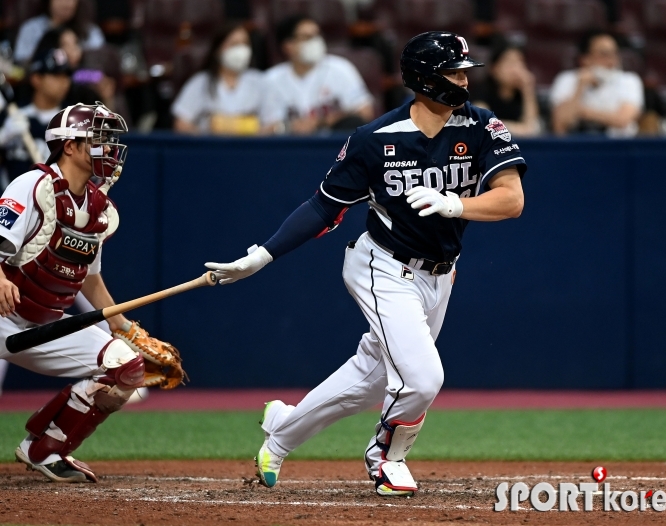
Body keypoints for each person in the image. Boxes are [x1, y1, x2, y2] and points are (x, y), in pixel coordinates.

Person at [206, 31, 526, 496]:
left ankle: (280, 434)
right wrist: (261, 256)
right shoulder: (375, 139)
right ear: (425, 79)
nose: (464, 80)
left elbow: (511, 200)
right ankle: (385, 457)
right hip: (382, 265)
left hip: (440, 273)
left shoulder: (481, 126)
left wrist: (454, 204)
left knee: (372, 380)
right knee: (421, 378)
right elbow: (323, 208)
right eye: (454, 72)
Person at [0, 101, 181, 482]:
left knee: (128, 366)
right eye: (97, 138)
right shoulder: (33, 185)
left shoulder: (98, 209)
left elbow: (90, 280)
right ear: (69, 146)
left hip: (42, 325)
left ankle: (45, 448)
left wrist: (125, 328)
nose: (109, 147)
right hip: (2, 315)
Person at [260, 15, 374, 134]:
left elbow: (365, 113)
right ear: (288, 46)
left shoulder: (341, 68)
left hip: (335, 144)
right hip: (290, 146)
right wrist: (289, 126)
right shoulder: (271, 79)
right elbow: (264, 128)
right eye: (307, 37)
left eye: (317, 35)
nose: (315, 41)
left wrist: (320, 122)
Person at [172, 23, 265, 135]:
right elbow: (181, 124)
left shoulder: (260, 82)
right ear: (218, 49)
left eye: (245, 44)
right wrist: (205, 139)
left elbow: (274, 123)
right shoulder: (201, 82)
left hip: (251, 149)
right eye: (234, 44)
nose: (241, 49)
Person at [550, 30, 643, 137]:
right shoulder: (566, 80)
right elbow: (559, 126)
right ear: (585, 59)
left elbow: (622, 120)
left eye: (614, 54)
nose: (611, 61)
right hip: (575, 147)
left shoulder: (629, 80)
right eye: (604, 54)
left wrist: (581, 112)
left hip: (617, 147)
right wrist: (580, 87)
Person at [0, 48, 72, 182]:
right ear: (36, 79)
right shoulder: (13, 114)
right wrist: (3, 135)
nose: (63, 82)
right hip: (9, 197)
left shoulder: (74, 120)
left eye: (66, 75)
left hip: (53, 199)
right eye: (56, 75)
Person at [471, 41, 540, 136]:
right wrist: (522, 129)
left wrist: (528, 90)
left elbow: (533, 128)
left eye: (520, 62)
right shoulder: (481, 92)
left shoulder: (524, 95)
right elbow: (485, 124)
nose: (516, 69)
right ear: (494, 68)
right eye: (510, 63)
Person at [13, 0, 105, 65]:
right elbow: (21, 65)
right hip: (44, 82)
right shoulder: (30, 28)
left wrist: (81, 60)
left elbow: (100, 69)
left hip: (81, 82)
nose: (66, 3)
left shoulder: (90, 31)